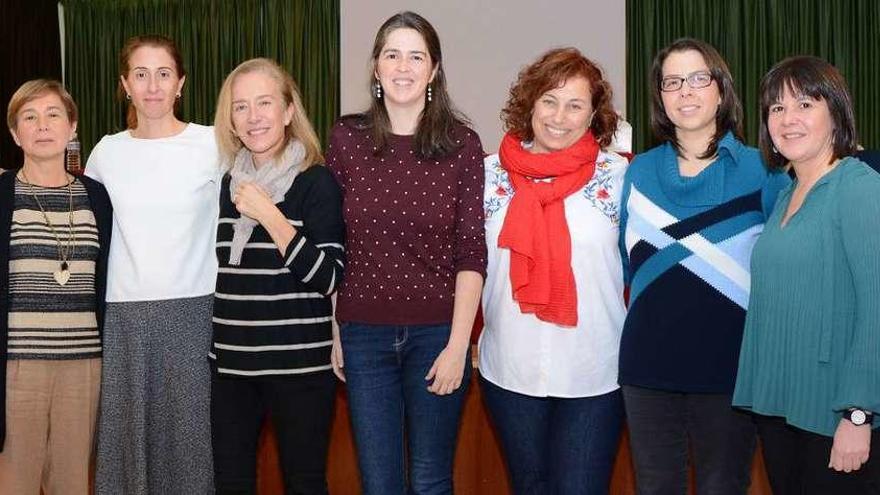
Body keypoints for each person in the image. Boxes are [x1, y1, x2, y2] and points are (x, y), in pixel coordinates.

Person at [617, 38, 789, 494]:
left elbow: (783, 270)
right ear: (660, 97)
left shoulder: (763, 171)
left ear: (720, 90)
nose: (686, 92)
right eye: (672, 82)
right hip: (647, 372)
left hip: (729, 373)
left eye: (698, 79)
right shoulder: (637, 172)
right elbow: (624, 265)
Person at [325, 11, 486, 494]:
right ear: (375, 66)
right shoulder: (345, 140)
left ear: (433, 69)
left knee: (431, 480)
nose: (403, 66)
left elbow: (471, 252)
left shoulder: (463, 144)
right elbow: (336, 245)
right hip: (363, 337)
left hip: (437, 337)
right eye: (392, 54)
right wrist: (337, 331)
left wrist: (460, 346)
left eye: (416, 56)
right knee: (379, 482)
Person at [478, 47, 627, 494]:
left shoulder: (620, 178)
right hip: (510, 368)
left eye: (575, 104)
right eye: (549, 100)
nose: (560, 116)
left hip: (595, 373)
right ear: (530, 103)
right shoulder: (485, 175)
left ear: (593, 115)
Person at [733, 55, 880, 494]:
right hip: (781, 409)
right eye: (776, 108)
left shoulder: (860, 188)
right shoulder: (787, 193)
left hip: (835, 416)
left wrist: (858, 414)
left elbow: (876, 309)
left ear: (836, 114)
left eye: (804, 104)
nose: (788, 119)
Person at [85, 34, 220, 494]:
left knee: (190, 442)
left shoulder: (213, 144)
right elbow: (85, 227)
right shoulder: (106, 153)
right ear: (125, 84)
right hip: (126, 317)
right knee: (127, 445)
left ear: (180, 83)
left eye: (163, 74)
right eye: (140, 75)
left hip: (195, 313)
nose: (153, 86)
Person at [210, 57, 344, 495]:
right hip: (232, 368)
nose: (254, 117)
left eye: (265, 103)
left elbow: (328, 277)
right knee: (232, 484)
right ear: (230, 120)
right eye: (241, 106)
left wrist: (271, 216)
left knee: (304, 483)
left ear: (289, 112)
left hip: (300, 369)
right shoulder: (228, 186)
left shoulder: (316, 184)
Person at [0, 79, 111, 495]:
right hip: (16, 366)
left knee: (70, 484)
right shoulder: (3, 194)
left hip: (83, 366)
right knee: (15, 482)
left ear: (72, 127)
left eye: (53, 115)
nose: (42, 125)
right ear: (15, 133)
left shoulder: (97, 198)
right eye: (29, 117)